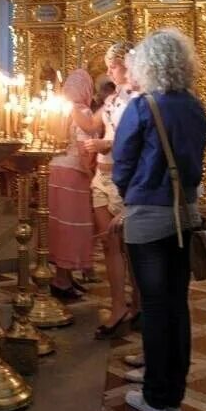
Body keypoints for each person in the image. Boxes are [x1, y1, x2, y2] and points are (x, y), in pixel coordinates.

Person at [112, 28, 206, 411]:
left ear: (148, 65)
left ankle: (154, 395)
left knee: (153, 306)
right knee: (177, 303)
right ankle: (173, 393)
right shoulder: (195, 106)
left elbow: (122, 162)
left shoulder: (143, 105)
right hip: (185, 212)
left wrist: (130, 191)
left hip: (149, 215)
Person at [74, 41, 140, 337]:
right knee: (109, 245)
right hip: (101, 176)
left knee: (132, 246)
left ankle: (139, 303)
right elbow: (90, 124)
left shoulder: (139, 99)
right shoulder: (112, 99)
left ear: (128, 65)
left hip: (124, 178)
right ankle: (117, 305)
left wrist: (106, 144)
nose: (110, 71)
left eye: (113, 65)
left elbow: (135, 139)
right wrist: (71, 103)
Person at [48, 69, 97, 299]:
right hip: (74, 174)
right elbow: (83, 147)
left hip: (55, 170)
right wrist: (91, 173)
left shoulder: (59, 109)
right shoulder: (83, 112)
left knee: (61, 225)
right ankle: (61, 281)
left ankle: (65, 275)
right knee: (72, 227)